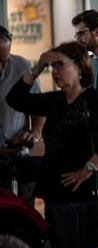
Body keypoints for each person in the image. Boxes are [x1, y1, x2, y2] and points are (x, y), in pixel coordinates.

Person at [6, 41, 98, 248]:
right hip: (55, 193)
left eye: (60, 65)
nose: (55, 71)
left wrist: (88, 168)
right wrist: (37, 66)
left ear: (80, 67)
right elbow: (15, 99)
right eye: (52, 66)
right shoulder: (56, 101)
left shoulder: (94, 100)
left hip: (82, 196)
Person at [0, 25, 44, 204]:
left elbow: (38, 109)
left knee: (26, 211)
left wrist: (35, 133)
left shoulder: (24, 67)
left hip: (19, 152)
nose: (2, 66)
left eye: (5, 60)